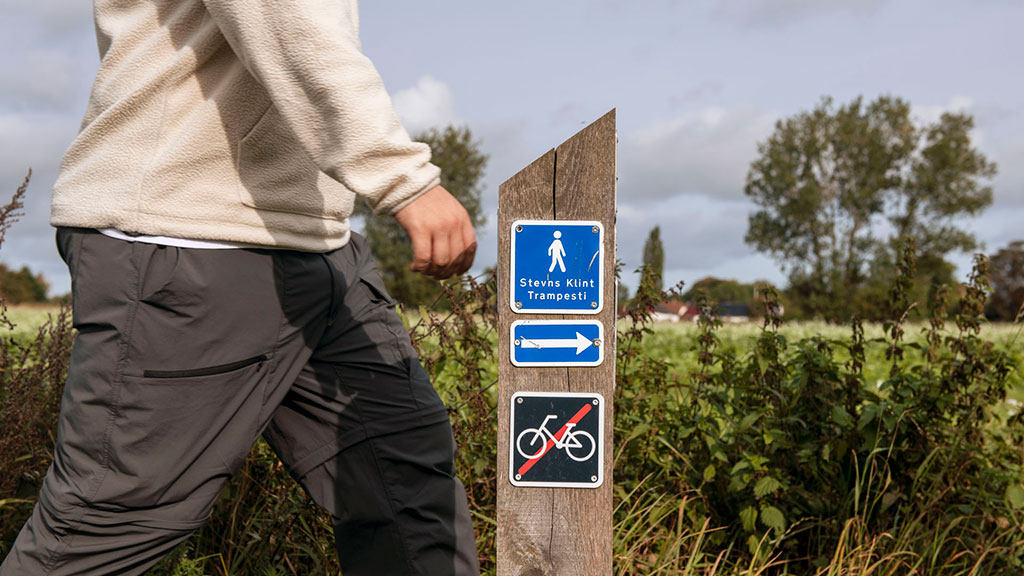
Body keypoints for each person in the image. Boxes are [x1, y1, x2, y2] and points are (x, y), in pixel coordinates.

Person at [1, 1, 480, 575]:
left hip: (315, 242)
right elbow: (287, 17)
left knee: (406, 486)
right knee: (107, 526)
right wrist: (401, 177)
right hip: (190, 233)